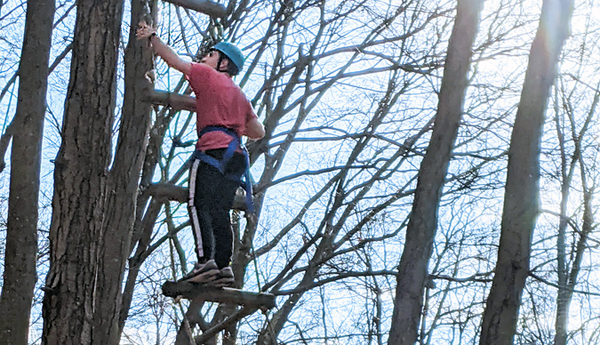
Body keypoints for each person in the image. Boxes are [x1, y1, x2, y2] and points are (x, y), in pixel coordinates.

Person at [136, 22, 265, 287]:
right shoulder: (240, 95)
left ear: (223, 64)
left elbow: (174, 60)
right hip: (236, 154)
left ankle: (205, 262)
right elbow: (258, 131)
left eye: (210, 55)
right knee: (220, 210)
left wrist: (153, 38)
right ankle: (222, 266)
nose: (203, 58)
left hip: (212, 149)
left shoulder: (208, 77)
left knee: (199, 204)